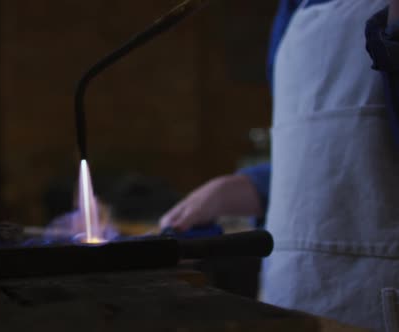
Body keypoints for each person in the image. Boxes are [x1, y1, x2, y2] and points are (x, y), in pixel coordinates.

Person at [160, 1, 399, 330]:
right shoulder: (292, 11)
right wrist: (250, 185)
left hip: (381, 294)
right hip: (291, 288)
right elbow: (324, 150)